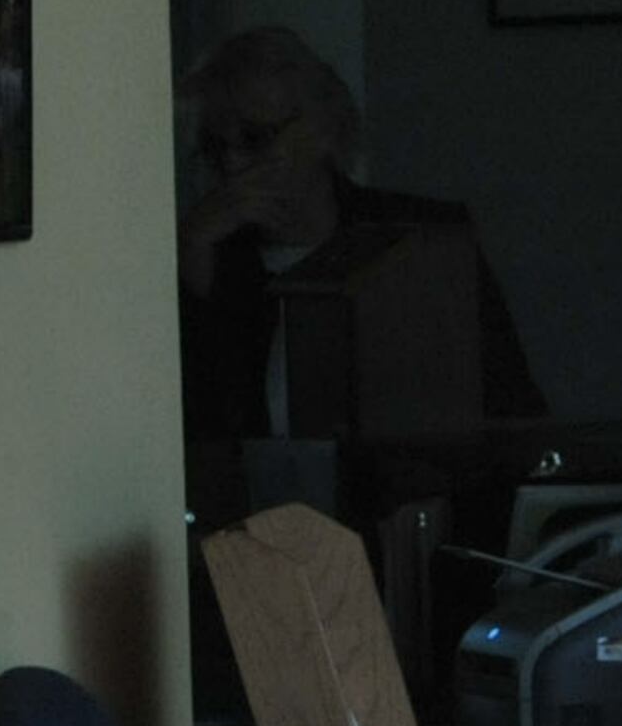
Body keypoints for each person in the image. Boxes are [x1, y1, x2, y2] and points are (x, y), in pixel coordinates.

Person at [174, 26, 542, 437]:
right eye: (214, 146)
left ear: (321, 128)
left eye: (255, 138)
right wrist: (193, 260)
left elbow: (510, 406)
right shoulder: (212, 259)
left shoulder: (419, 237)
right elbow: (196, 437)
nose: (233, 165)